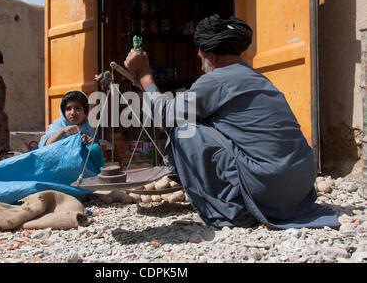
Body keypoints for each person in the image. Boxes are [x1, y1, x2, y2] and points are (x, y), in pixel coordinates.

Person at [124, 14, 339, 229]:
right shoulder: (257, 78)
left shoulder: (216, 80)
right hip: (299, 189)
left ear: (212, 57)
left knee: (185, 129)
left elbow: (165, 116)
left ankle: (232, 212)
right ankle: (246, 199)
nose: (201, 67)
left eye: (201, 58)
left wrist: (144, 75)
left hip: (271, 188)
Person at [0, 90, 104, 204]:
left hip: (70, 173)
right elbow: (46, 147)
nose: (73, 112)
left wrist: (86, 142)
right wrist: (63, 132)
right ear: (63, 112)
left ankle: (82, 188)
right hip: (42, 165)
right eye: (68, 108)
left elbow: (94, 154)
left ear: (85, 111)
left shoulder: (89, 127)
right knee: (11, 174)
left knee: (95, 149)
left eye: (78, 108)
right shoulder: (59, 125)